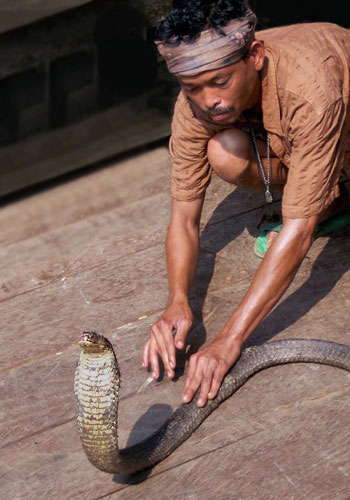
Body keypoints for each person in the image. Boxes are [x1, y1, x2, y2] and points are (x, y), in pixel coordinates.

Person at [142, 0, 350, 408]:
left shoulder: (309, 89)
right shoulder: (195, 105)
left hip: (338, 123)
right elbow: (183, 219)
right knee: (224, 150)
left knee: (299, 221)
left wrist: (228, 341)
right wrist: (177, 303)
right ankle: (325, 195)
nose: (208, 101)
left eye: (220, 82)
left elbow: (299, 231)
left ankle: (325, 195)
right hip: (308, 141)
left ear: (254, 57)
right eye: (192, 88)